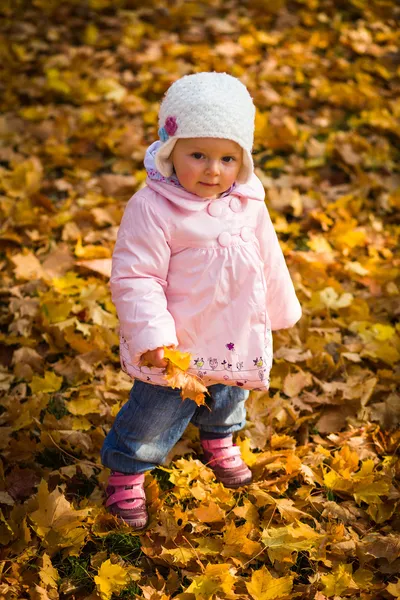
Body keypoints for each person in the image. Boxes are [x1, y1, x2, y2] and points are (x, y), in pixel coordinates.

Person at [101, 72, 302, 529]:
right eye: (198, 155)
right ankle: (127, 469)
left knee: (231, 393)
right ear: (172, 152)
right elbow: (137, 276)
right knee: (157, 410)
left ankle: (219, 439)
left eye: (227, 158)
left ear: (243, 160)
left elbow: (267, 254)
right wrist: (153, 337)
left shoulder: (249, 200)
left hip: (235, 332)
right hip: (179, 344)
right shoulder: (153, 208)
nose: (213, 170)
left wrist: (277, 308)